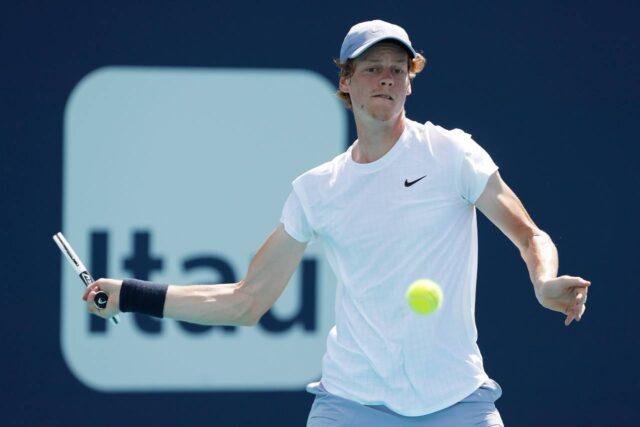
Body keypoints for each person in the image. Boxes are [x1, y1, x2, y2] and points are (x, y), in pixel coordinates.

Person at [83, 20, 591, 426]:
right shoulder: (317, 190)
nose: (387, 78)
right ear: (346, 82)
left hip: (457, 401)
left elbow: (530, 235)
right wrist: (131, 294)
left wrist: (543, 279)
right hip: (351, 405)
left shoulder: (452, 154)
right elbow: (245, 301)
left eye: (398, 69)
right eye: (372, 68)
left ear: (409, 82)